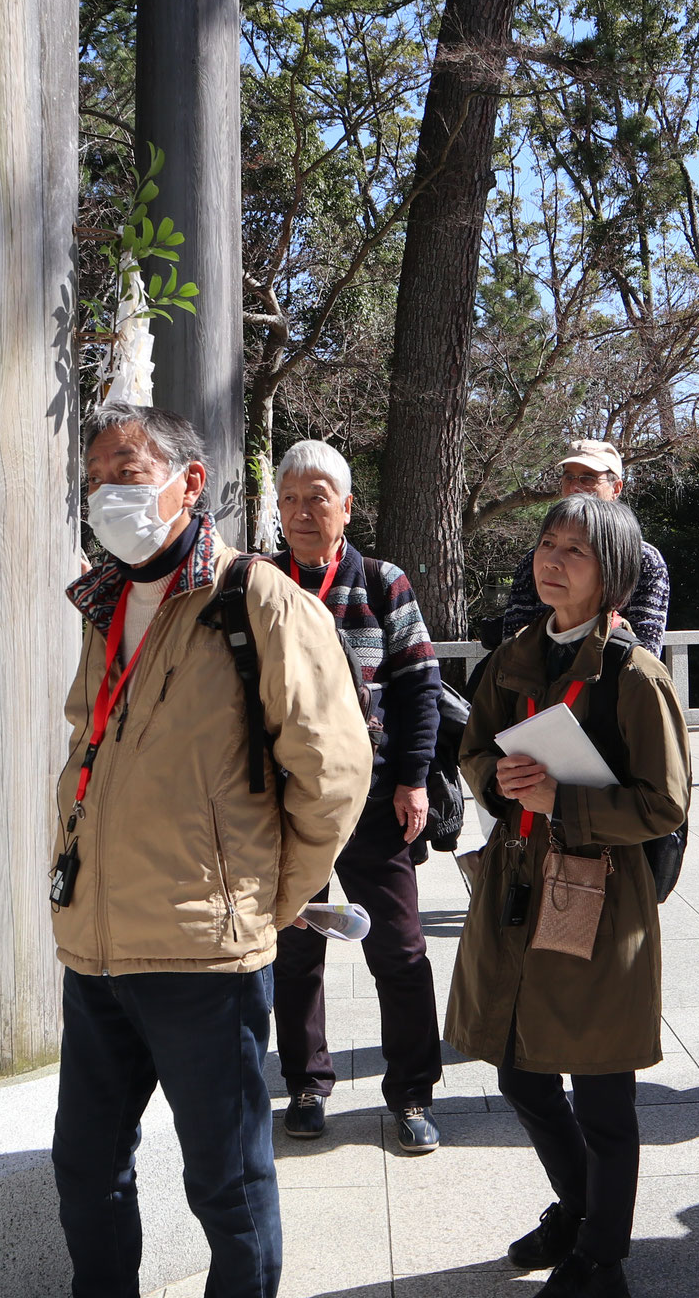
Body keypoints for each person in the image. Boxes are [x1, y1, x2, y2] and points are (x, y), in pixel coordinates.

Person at [52, 404, 372, 1298]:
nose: (106, 493)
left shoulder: (258, 598)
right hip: (97, 950)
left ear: (189, 483)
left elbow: (336, 771)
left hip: (204, 954)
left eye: (126, 469)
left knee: (226, 1186)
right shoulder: (104, 603)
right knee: (84, 1171)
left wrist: (267, 900)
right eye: (94, 479)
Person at [448, 495, 691, 1298]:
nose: (551, 561)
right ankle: (580, 1211)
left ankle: (602, 1259)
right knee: (519, 1071)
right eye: (546, 546)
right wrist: (499, 778)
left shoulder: (633, 673)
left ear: (612, 572)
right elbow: (475, 751)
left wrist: (565, 803)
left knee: (602, 1092)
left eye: (574, 552)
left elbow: (664, 804)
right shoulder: (517, 652)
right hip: (516, 885)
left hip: (596, 892)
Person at [268, 440, 447, 1153]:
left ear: (347, 505)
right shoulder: (257, 582)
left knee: (401, 951)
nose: (305, 511)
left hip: (372, 800)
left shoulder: (381, 581)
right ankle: (307, 1085)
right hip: (282, 805)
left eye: (319, 496)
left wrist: (413, 778)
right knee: (293, 953)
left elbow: (420, 684)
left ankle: (411, 1092)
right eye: (291, 498)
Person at [500, 440, 669, 655]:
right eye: (568, 477)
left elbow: (645, 650)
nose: (574, 487)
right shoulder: (537, 558)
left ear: (616, 488)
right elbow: (513, 642)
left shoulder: (643, 559)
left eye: (588, 478)